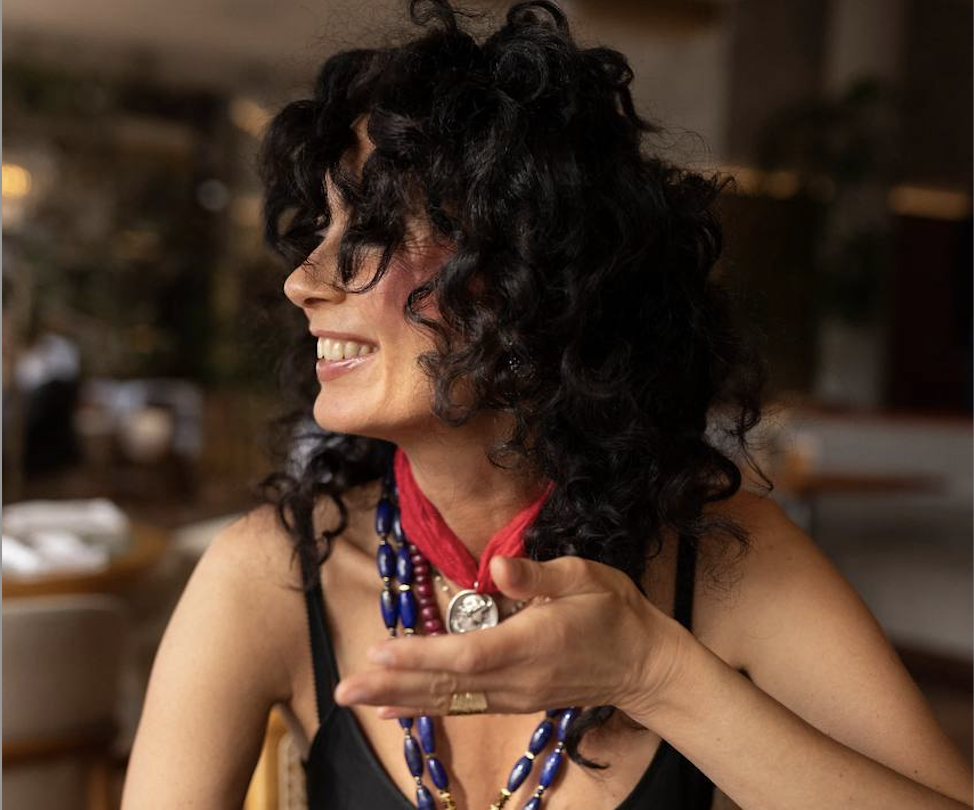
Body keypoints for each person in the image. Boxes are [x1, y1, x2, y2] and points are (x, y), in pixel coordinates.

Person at [121, 2, 974, 808]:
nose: (302, 282)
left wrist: (655, 672)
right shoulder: (270, 572)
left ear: (529, 277)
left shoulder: (724, 561)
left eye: (373, 231)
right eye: (319, 232)